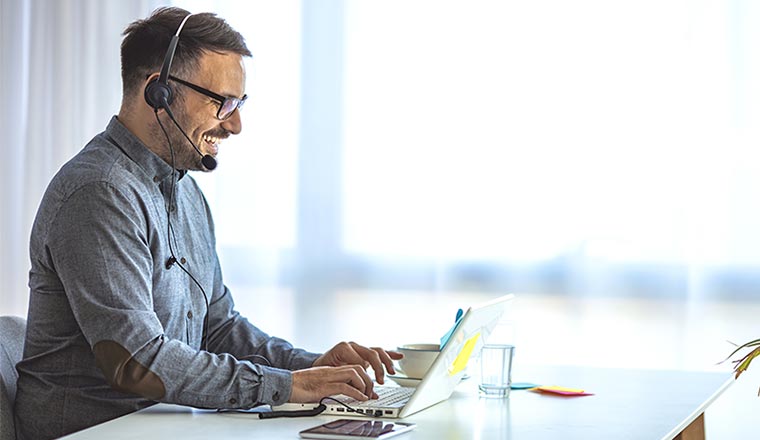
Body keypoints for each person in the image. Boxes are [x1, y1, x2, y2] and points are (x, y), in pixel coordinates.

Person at [14, 7, 402, 440]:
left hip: (160, 426)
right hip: (94, 431)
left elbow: (218, 327)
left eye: (240, 103)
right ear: (158, 93)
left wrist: (308, 366)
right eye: (223, 102)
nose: (235, 124)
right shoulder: (100, 192)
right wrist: (287, 387)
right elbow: (136, 361)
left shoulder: (186, 192)